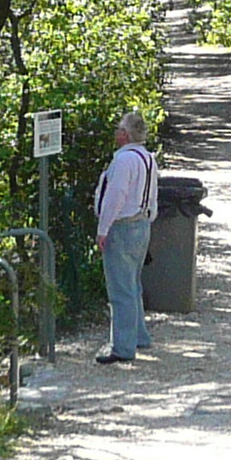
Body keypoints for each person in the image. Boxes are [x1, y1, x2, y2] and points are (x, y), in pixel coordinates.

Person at [90, 110, 160, 364]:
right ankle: (139, 335)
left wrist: (103, 229)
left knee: (120, 289)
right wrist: (148, 218)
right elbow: (152, 195)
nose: (117, 133)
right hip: (142, 223)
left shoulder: (123, 161)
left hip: (122, 227)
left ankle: (122, 346)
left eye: (120, 128)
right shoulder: (149, 158)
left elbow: (115, 197)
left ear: (125, 134)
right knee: (133, 283)